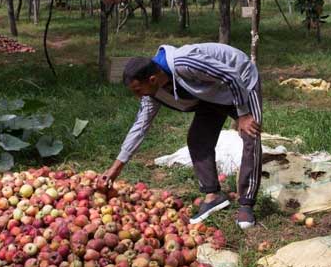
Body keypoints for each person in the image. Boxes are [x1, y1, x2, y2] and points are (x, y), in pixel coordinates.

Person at [99, 42, 264, 229]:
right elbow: (140, 126)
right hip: (210, 90)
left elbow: (230, 76)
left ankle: (246, 204)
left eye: (138, 90)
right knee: (198, 139)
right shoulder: (154, 92)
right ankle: (213, 195)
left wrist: (243, 114)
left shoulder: (185, 63)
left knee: (250, 134)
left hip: (241, 79)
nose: (139, 96)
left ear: (152, 79)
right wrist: (116, 167)